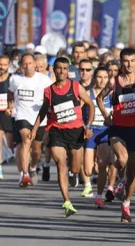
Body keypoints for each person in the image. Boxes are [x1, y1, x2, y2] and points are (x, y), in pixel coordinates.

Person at [31, 57, 95, 217]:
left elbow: (91, 104)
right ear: (54, 69)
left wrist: (88, 126)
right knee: (60, 164)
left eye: (65, 68)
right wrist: (35, 128)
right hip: (56, 131)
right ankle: (67, 201)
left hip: (75, 131)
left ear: (68, 70)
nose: (62, 71)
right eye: (59, 68)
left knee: (74, 167)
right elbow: (43, 111)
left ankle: (74, 175)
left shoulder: (75, 87)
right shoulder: (49, 91)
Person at [97, 48, 135, 222]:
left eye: (132, 60)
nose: (129, 64)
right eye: (125, 61)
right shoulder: (114, 81)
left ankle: (126, 203)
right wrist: (105, 115)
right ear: (121, 61)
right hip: (117, 128)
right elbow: (99, 98)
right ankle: (119, 181)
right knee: (122, 159)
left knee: (132, 170)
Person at [7, 53, 53, 186]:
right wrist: (10, 106)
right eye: (24, 64)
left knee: (37, 150)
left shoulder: (44, 80)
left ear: (35, 64)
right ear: (21, 65)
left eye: (30, 63)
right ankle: (24, 173)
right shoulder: (16, 79)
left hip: (39, 119)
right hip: (21, 115)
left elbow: (52, 95)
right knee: (26, 140)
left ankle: (33, 167)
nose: (27, 66)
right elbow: (10, 92)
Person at [84, 67, 113, 208]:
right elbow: (78, 109)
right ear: (95, 77)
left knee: (103, 164)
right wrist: (85, 127)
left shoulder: (111, 95)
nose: (102, 80)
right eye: (100, 77)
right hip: (91, 132)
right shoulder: (87, 93)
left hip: (105, 131)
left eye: (105, 77)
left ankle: (99, 196)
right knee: (88, 170)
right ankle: (94, 169)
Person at [0, 55, 12, 179]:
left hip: (9, 114)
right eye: (0, 64)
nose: (1, 67)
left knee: (11, 143)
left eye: (4, 65)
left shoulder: (12, 79)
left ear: (8, 65)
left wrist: (11, 107)